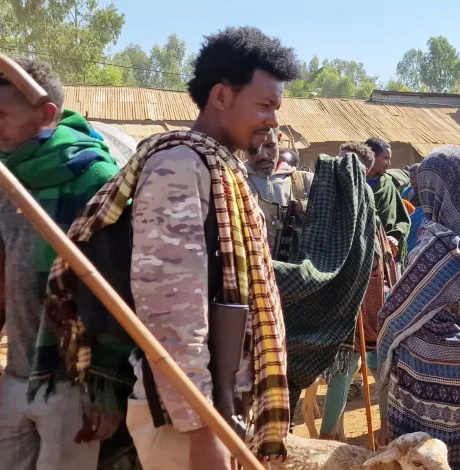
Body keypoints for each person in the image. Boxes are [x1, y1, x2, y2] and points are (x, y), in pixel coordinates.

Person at [46, 27, 299, 470]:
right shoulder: (179, 167)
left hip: (215, 404)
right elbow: (172, 311)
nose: (273, 121)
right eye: (265, 105)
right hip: (187, 419)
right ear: (221, 96)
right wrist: (203, 432)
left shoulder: (217, 166)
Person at [0, 58, 133, 470]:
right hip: (15, 372)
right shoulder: (6, 177)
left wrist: (105, 389)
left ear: (46, 114)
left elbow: (120, 289)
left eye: (2, 115)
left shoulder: (96, 179)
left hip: (74, 383)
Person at [377, 145, 460, 470]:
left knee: (423, 456)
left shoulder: (438, 247)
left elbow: (395, 315)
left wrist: (384, 341)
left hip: (425, 374)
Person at [319, 143, 396, 440]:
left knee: (374, 367)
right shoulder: (335, 201)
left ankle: (383, 429)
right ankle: (330, 436)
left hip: (366, 301)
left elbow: (376, 258)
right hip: (348, 301)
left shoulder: (361, 203)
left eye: (346, 164)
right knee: (352, 369)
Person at [245, 128, 313, 260]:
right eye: (254, 148)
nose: (263, 155)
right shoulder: (234, 182)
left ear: (279, 139)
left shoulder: (307, 182)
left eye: (269, 145)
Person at [364, 137, 411, 263]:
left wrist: (396, 236)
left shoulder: (388, 184)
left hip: (387, 253)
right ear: (371, 156)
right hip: (360, 254)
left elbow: (403, 219)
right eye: (385, 158)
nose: (389, 164)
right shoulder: (353, 183)